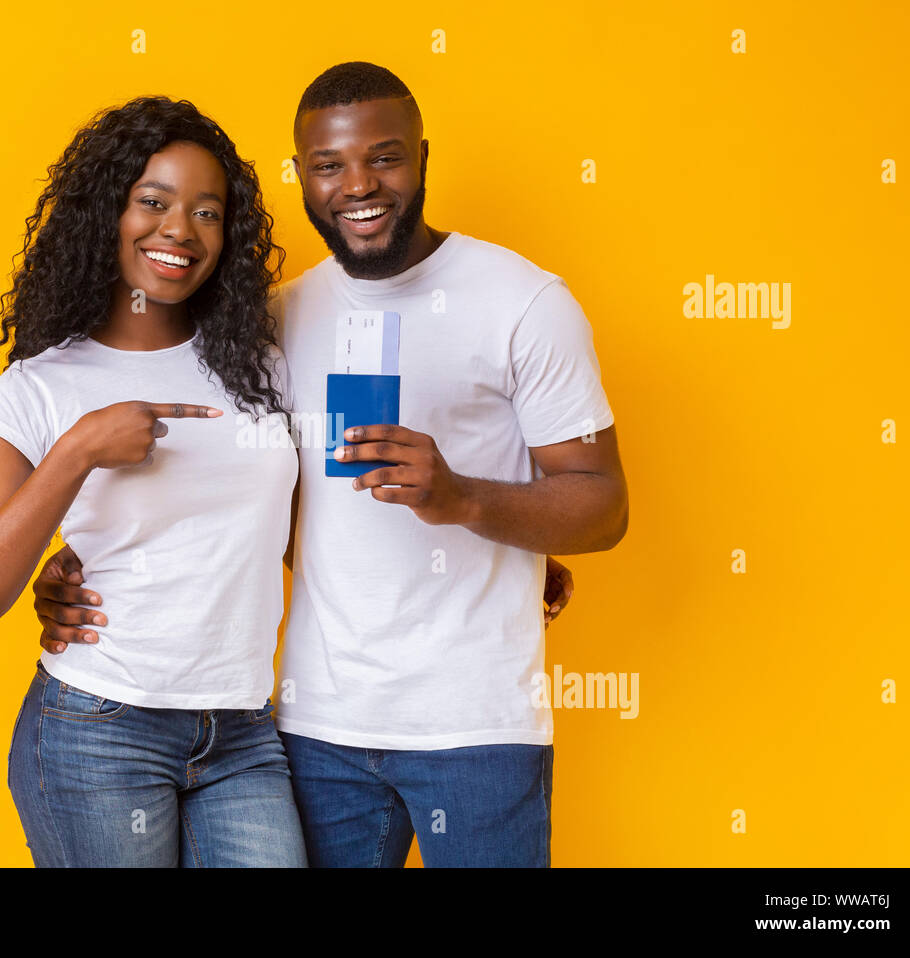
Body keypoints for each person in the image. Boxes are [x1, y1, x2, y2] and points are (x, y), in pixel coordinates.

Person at [34, 63, 628, 868]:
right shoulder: (274, 319)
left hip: (478, 729)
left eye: (383, 158)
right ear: (302, 176)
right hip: (315, 735)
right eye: (329, 166)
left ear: (422, 156)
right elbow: (245, 497)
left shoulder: (524, 302)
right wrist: (93, 560)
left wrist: (467, 503)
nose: (358, 186)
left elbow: (602, 506)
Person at [0, 96, 308, 867]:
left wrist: (485, 566)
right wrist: (75, 453)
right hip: (99, 730)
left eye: (207, 211)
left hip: (240, 727)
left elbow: (313, 527)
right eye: (153, 202)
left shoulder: (265, 366)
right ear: (108, 212)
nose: (179, 230)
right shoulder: (34, 390)